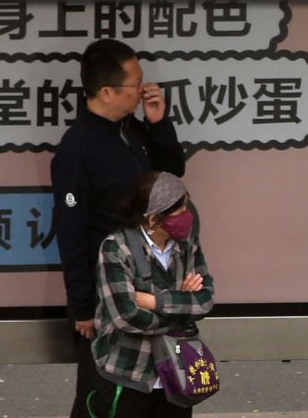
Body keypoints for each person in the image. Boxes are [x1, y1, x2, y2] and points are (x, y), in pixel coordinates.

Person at [51, 39, 186, 418]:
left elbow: (172, 173)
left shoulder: (133, 131)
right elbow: (71, 232)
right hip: (108, 293)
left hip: (156, 284)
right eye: (135, 83)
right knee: (107, 396)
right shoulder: (78, 148)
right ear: (106, 91)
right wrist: (83, 307)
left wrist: (158, 124)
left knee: (166, 390)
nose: (144, 89)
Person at [89, 171, 214, 417]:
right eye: (180, 211)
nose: (187, 216)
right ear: (154, 218)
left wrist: (155, 301)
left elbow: (205, 299)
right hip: (129, 372)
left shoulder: (187, 244)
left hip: (179, 373)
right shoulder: (116, 248)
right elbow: (126, 316)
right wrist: (181, 310)